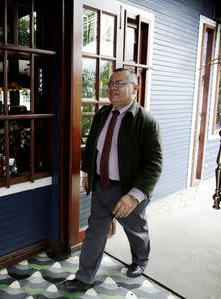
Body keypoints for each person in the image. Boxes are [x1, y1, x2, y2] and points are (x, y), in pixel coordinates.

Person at [63, 68, 163, 293]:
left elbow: (154, 165)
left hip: (129, 191)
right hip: (101, 186)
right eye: (110, 83)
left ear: (134, 88)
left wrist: (134, 196)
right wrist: (88, 174)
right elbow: (92, 147)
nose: (112, 88)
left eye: (119, 83)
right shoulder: (102, 114)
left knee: (136, 230)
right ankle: (84, 278)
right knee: (95, 233)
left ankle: (140, 260)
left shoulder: (146, 122)